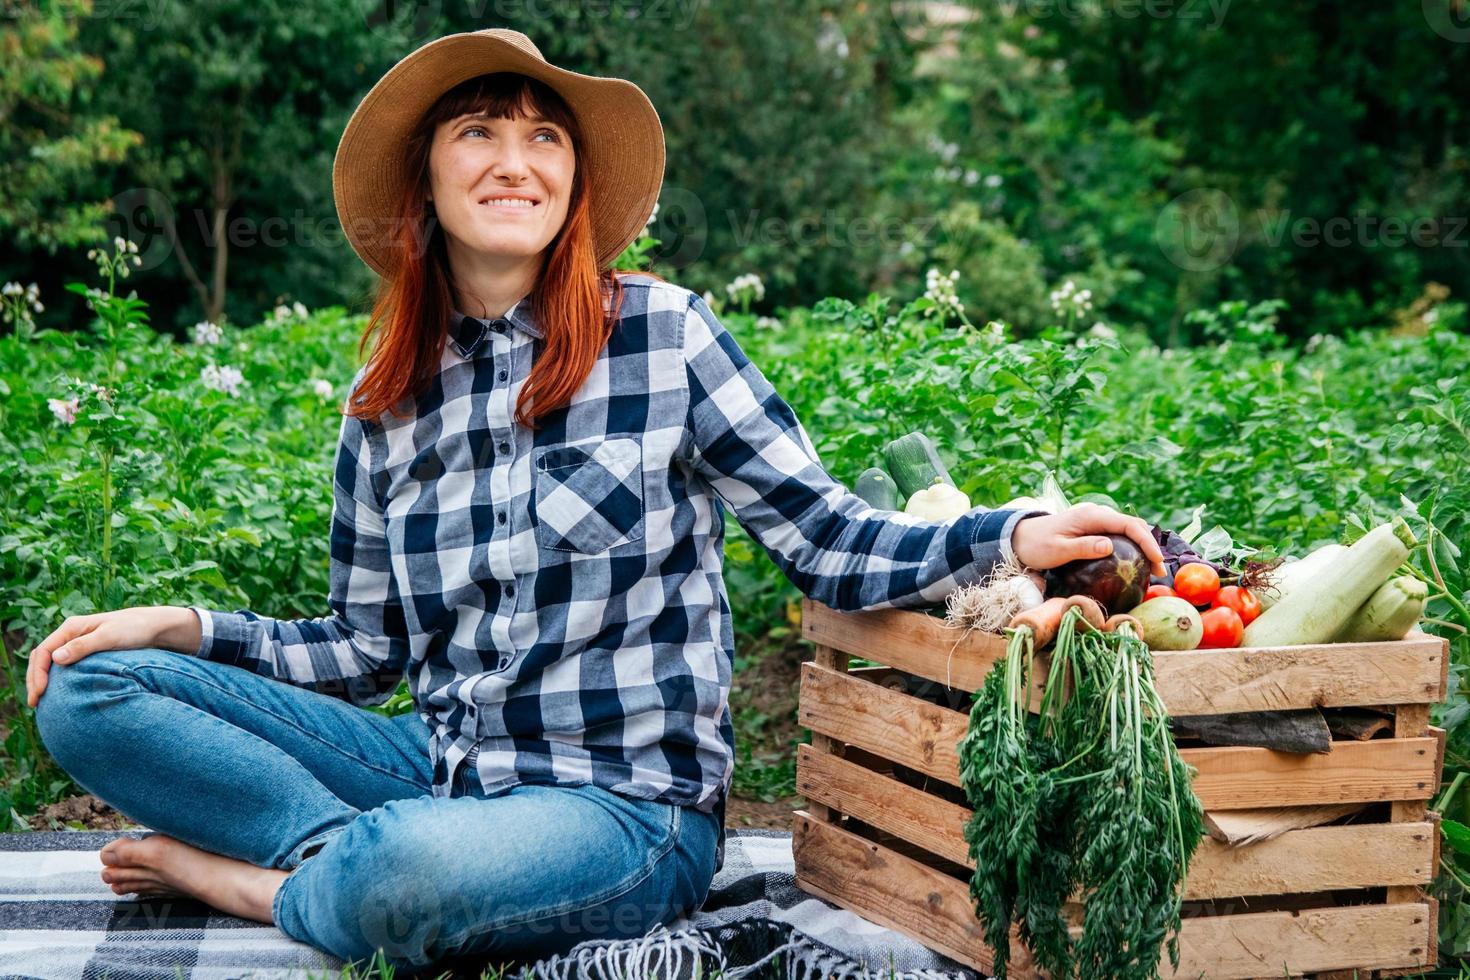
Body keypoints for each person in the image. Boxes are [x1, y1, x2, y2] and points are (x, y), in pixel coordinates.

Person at [24, 27, 1166, 975]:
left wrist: (1005, 533)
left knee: (408, 870)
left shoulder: (663, 335)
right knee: (87, 690)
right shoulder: (385, 400)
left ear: (572, 179)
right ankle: (348, 861)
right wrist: (180, 626)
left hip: (627, 812)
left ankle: (267, 882)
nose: (513, 160)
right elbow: (362, 648)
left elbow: (825, 537)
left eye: (544, 137)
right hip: (442, 765)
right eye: (478, 131)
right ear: (428, 175)